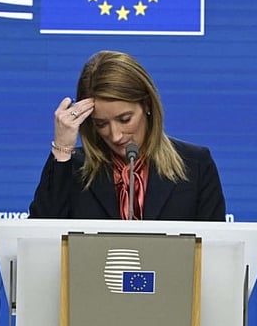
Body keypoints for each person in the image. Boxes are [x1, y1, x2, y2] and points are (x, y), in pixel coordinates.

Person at [29, 50, 226, 221]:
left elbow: (217, 250)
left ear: (147, 105)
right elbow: (37, 245)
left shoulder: (196, 164)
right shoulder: (72, 169)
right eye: (101, 124)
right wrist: (62, 150)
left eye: (124, 119)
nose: (115, 136)